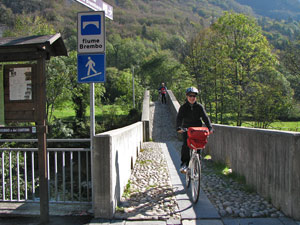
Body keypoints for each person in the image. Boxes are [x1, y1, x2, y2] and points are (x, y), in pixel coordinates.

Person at [176, 86, 213, 173]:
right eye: (190, 96)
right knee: (185, 145)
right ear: (187, 96)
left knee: (199, 145)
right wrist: (178, 127)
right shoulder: (183, 107)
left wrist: (210, 127)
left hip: (197, 129)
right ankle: (184, 163)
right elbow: (179, 118)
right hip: (187, 129)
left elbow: (205, 117)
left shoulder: (199, 107)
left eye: (194, 96)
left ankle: (197, 162)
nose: (192, 98)